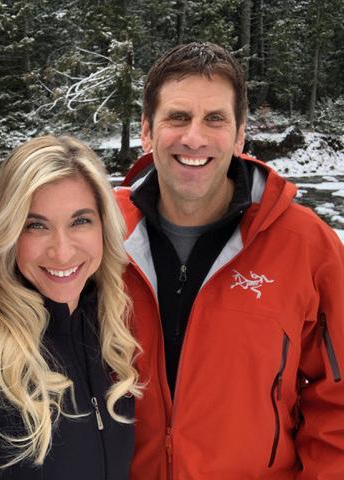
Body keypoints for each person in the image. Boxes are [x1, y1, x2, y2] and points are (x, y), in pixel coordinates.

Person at [115, 42, 344, 479]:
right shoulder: (99, 233)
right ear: (146, 130)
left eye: (214, 119)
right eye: (177, 117)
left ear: (240, 135)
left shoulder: (306, 245)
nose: (194, 137)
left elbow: (338, 398)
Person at [0, 135, 142, 479]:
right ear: (9, 233)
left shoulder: (109, 327)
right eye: (36, 226)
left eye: (80, 221)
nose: (62, 251)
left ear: (104, 226)